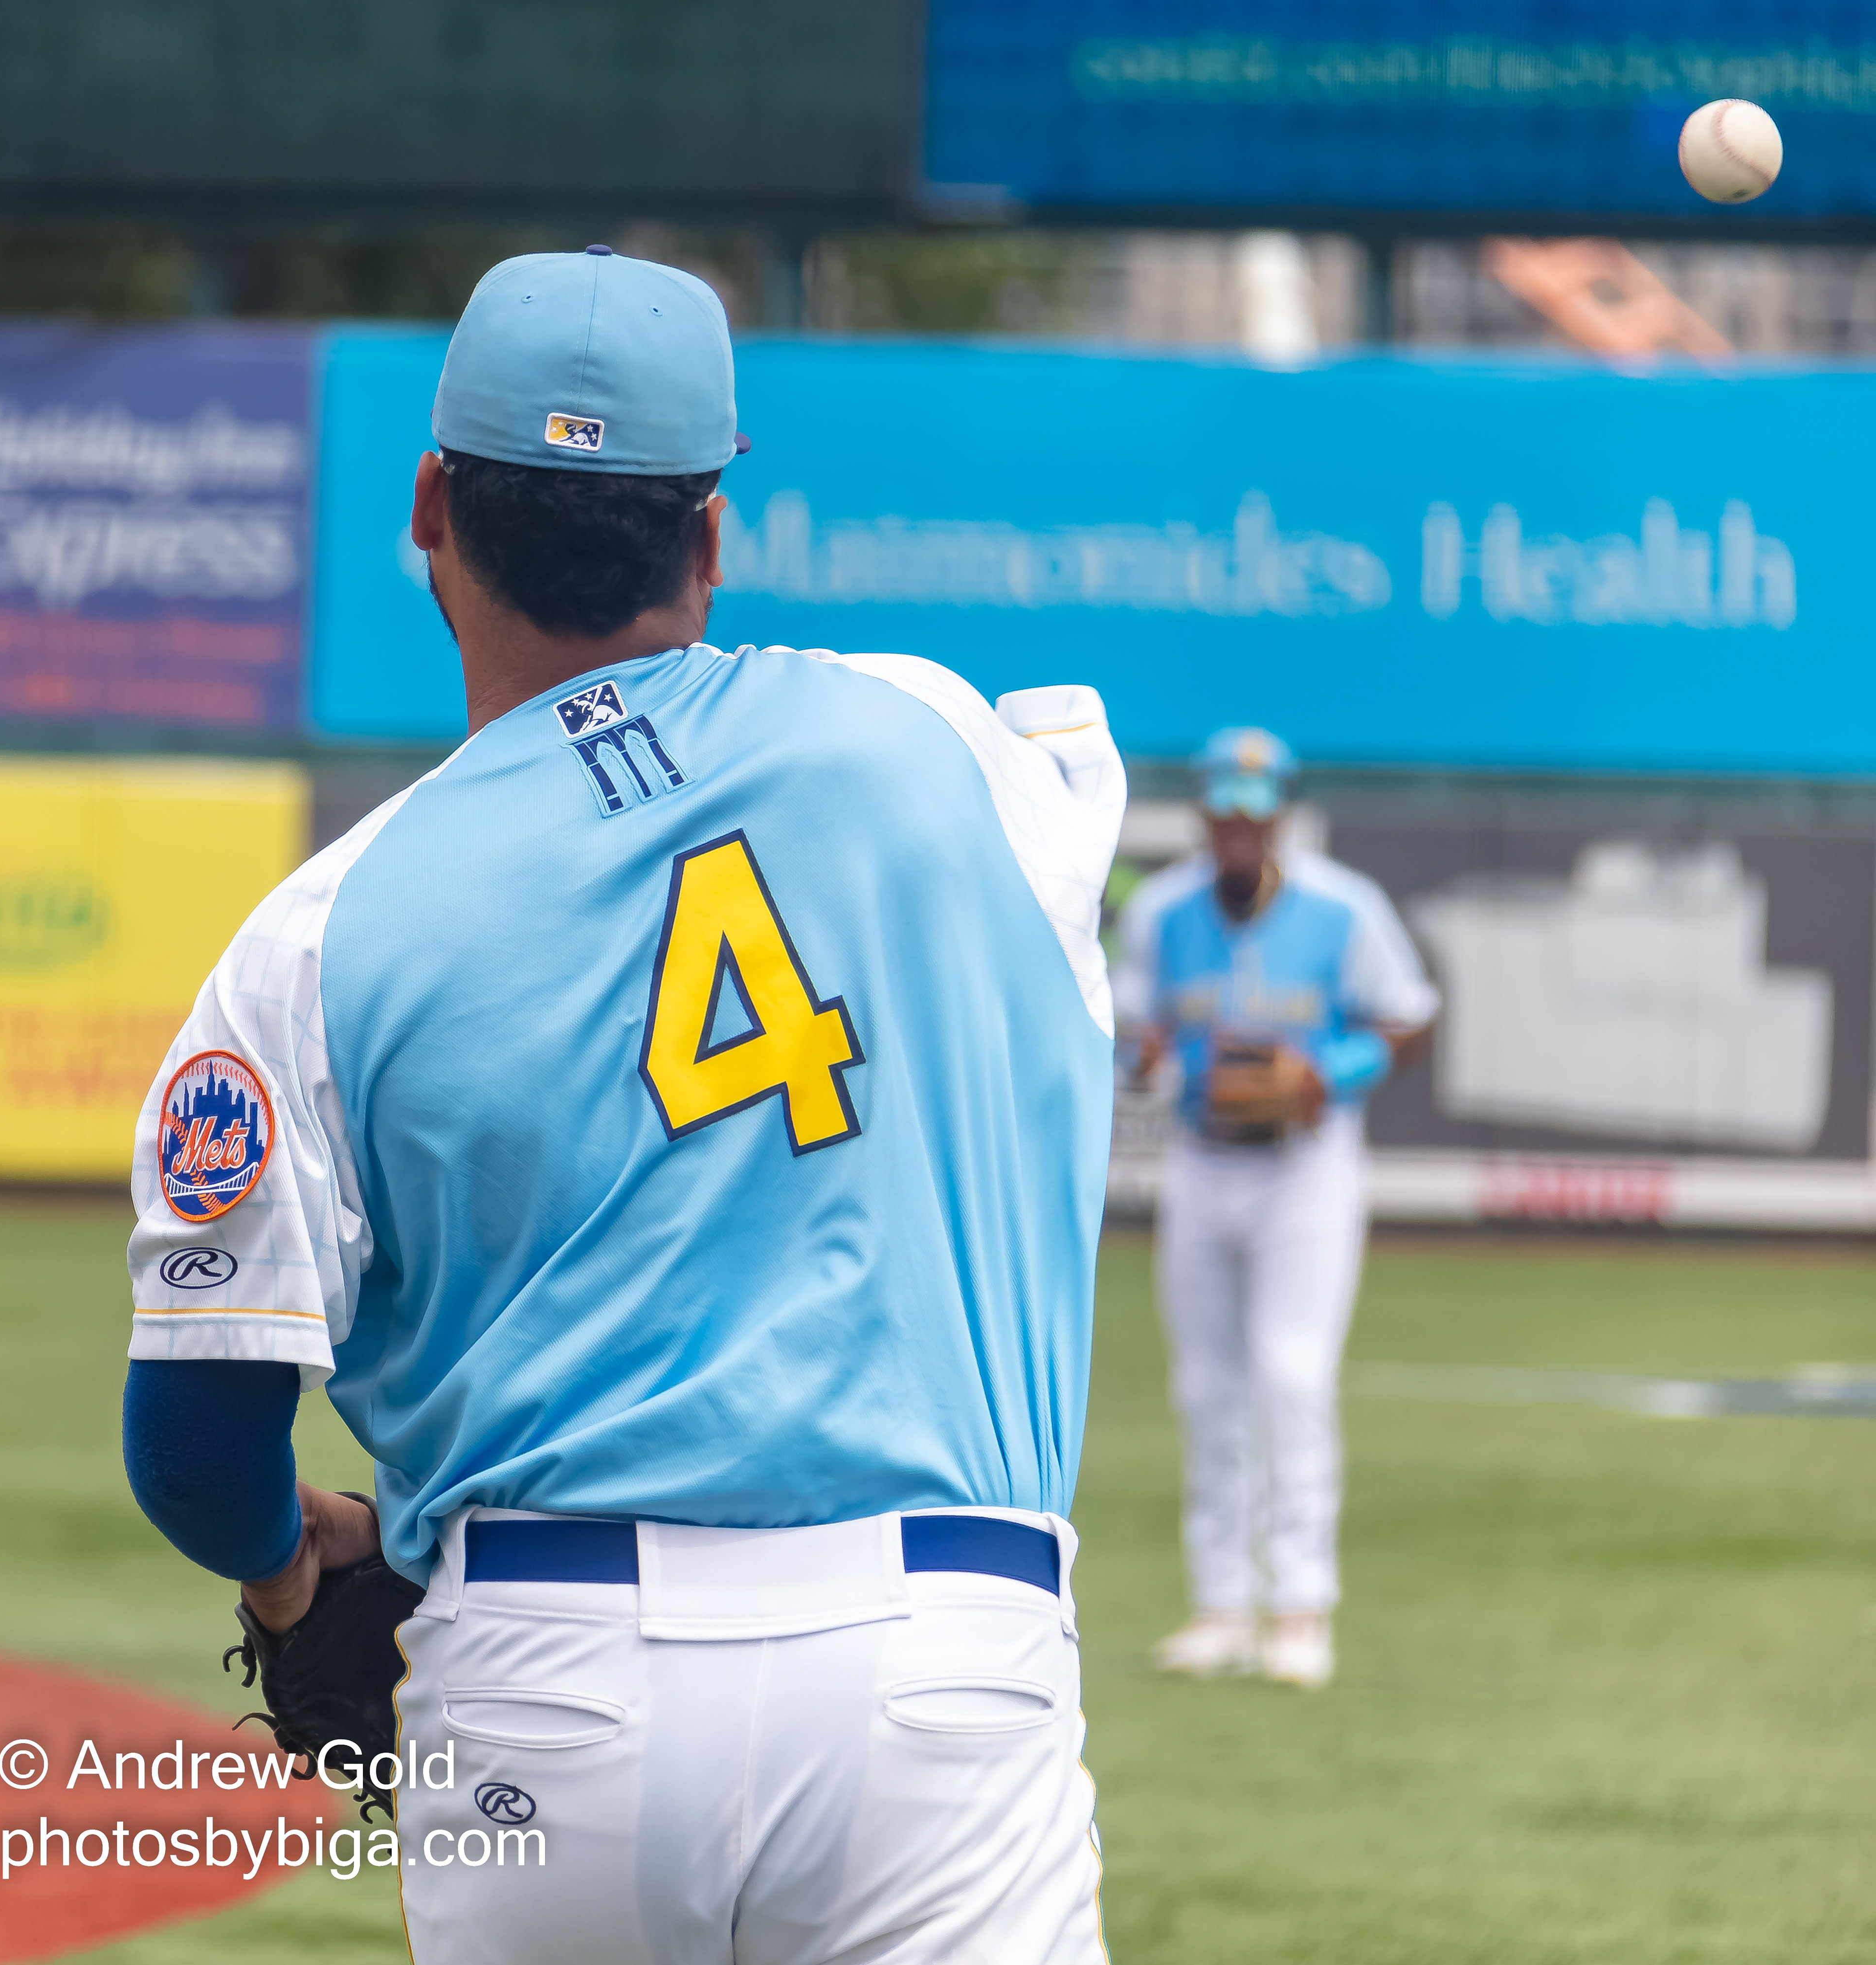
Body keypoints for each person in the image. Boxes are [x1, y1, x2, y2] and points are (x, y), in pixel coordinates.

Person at [120, 246, 1125, 1963]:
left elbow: (198, 1437)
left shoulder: (321, 932)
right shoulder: (937, 739)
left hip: (542, 1671)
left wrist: (291, 1566)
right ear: (710, 530)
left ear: (430, 509)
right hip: (944, 1642)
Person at [1114, 727, 1437, 1688]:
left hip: (1307, 1166)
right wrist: (1147, 1056)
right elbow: (1140, 1026)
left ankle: (1300, 1607)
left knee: (1293, 1377)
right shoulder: (1165, 912)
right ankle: (1220, 1605)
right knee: (1206, 1386)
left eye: (1257, 813)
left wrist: (1327, 1072)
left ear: (1281, 816)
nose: (1240, 830)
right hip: (1204, 1162)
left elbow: (1408, 1014)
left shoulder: (1345, 906)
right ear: (1206, 816)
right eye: (1225, 813)